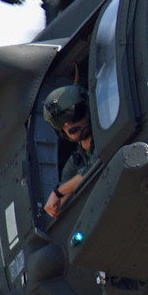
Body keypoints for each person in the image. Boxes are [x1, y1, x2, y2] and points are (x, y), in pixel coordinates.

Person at [42, 85, 95, 218]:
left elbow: (92, 170)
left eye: (75, 115)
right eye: (59, 121)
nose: (68, 125)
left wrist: (57, 193)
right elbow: (63, 195)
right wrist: (56, 202)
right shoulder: (76, 161)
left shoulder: (104, 136)